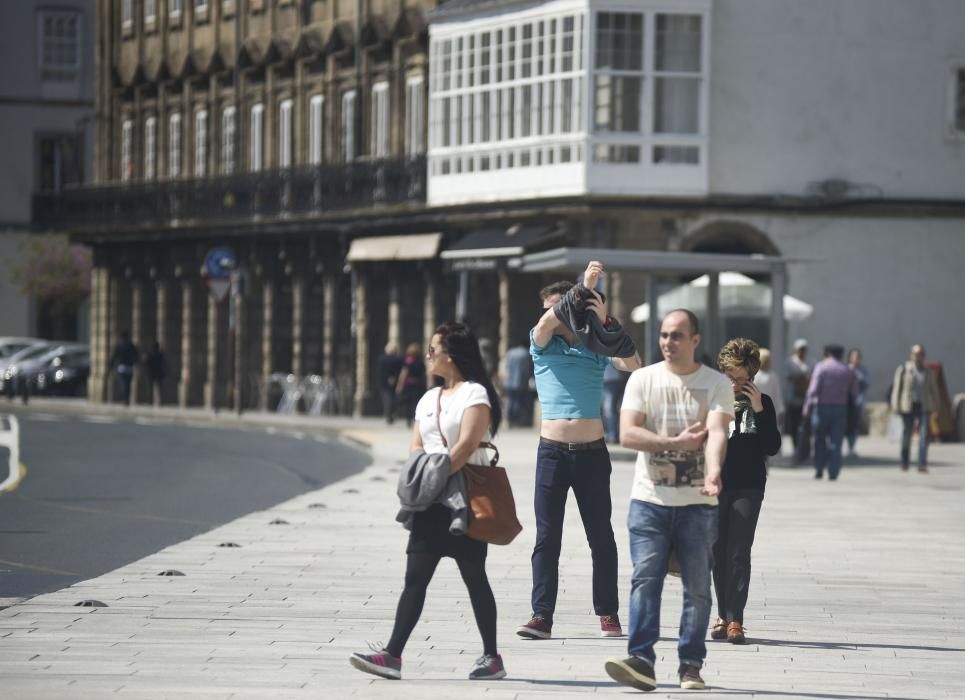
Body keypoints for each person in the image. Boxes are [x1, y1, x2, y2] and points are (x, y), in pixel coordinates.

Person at [350, 322, 506, 681]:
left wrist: (435, 477)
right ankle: (392, 655)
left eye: (432, 349)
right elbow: (416, 446)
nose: (427, 355)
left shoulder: (475, 395)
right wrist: (426, 483)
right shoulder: (427, 398)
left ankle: (492, 657)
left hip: (463, 499)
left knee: (474, 577)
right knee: (414, 579)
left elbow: (467, 446)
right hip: (430, 502)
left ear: (450, 355)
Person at [604, 309, 732, 692]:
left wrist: (713, 471)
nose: (668, 342)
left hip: (697, 504)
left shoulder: (716, 383)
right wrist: (673, 443)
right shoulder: (643, 379)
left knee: (696, 587)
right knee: (645, 580)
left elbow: (717, 433)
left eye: (677, 336)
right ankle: (641, 659)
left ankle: (690, 665)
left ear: (695, 340)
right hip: (649, 500)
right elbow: (628, 434)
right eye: (663, 335)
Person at [518, 260, 641, 641]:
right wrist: (583, 287)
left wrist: (604, 321)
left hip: (591, 453)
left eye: (568, 306)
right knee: (546, 537)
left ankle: (608, 613)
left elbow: (634, 364)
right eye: (555, 308)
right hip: (552, 452)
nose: (560, 314)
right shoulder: (541, 344)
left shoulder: (596, 345)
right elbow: (544, 325)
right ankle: (541, 615)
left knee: (601, 536)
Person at [710, 338, 781, 645]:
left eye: (741, 378)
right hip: (715, 484)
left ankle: (735, 619)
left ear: (752, 375)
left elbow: (773, 447)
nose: (735, 384)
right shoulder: (713, 401)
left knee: (738, 551)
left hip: (748, 485)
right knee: (717, 551)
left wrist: (759, 410)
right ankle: (722, 615)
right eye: (729, 376)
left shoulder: (763, 403)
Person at [803, 344, 858, 480]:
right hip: (840, 408)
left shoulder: (821, 367)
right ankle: (833, 471)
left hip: (822, 407)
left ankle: (819, 468)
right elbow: (855, 393)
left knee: (819, 439)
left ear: (827, 353)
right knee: (836, 441)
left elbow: (813, 390)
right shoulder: (847, 370)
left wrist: (807, 407)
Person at [890, 344, 940, 473]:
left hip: (923, 406)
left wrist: (936, 407)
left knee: (924, 436)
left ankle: (921, 463)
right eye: (916, 354)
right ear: (911, 355)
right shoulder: (904, 370)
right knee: (907, 435)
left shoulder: (928, 372)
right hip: (908, 406)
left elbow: (933, 390)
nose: (918, 357)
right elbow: (897, 389)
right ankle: (904, 461)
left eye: (921, 354)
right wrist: (895, 406)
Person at [784, 339, 810, 458]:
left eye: (804, 349)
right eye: (800, 349)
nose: (802, 352)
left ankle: (805, 450)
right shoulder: (789, 362)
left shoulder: (810, 362)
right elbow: (786, 378)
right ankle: (796, 447)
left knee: (805, 426)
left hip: (806, 400)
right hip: (793, 399)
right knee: (794, 426)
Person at [503, 339, 533, 427]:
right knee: (518, 401)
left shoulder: (510, 352)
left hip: (509, 381)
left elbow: (507, 366)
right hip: (520, 381)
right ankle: (515, 420)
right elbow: (528, 369)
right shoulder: (526, 354)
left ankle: (508, 418)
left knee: (510, 400)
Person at [846, 349, 870, 458]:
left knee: (854, 425)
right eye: (853, 357)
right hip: (845, 401)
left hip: (857, 401)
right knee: (844, 425)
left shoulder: (863, 370)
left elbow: (868, 383)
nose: (856, 359)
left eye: (857, 357)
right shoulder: (845, 369)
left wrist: (860, 378)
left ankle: (851, 447)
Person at [396, 342, 427, 427]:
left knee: (408, 403)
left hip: (409, 385)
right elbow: (424, 374)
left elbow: (404, 373)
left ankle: (408, 419)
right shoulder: (420, 361)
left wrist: (400, 385)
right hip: (418, 384)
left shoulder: (408, 361)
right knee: (416, 402)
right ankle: (415, 418)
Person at [754, 348, 784, 430]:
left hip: (770, 410)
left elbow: (777, 395)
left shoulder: (772, 376)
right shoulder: (755, 376)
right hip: (760, 409)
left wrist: (780, 411)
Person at [602, 362, 630, 444]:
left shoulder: (612, 351)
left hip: (613, 381)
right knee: (605, 410)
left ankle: (613, 435)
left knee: (609, 410)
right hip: (602, 381)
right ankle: (609, 434)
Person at [109, 331, 139, 405]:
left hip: (122, 367)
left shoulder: (119, 346)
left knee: (124, 384)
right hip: (129, 367)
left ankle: (125, 398)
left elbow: (114, 357)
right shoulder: (131, 346)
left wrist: (111, 365)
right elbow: (136, 356)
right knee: (127, 384)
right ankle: (126, 398)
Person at [377, 343, 404, 424]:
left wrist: (388, 378)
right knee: (394, 398)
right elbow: (401, 370)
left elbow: (380, 371)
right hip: (395, 381)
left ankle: (388, 414)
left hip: (384, 382)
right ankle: (392, 414)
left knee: (387, 399)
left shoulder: (382, 359)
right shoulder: (399, 359)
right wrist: (393, 378)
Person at [145, 341, 167, 406]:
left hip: (151, 373)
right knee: (160, 389)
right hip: (159, 373)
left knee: (150, 388)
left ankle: (150, 401)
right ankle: (160, 401)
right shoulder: (161, 354)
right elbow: (164, 364)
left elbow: (146, 363)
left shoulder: (150, 354)